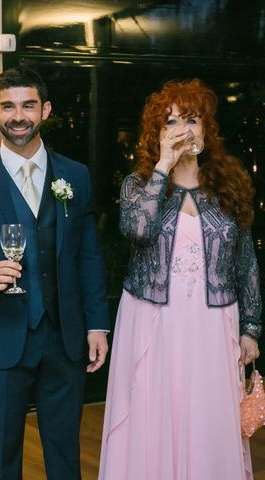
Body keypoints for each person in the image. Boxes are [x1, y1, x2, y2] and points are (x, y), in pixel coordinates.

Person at [0, 67, 110, 480]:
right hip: (0, 336)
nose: (19, 116)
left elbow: (88, 254)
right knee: (1, 452)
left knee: (66, 450)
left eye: (28, 105)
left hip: (65, 337)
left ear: (45, 110)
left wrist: (98, 325)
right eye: (8, 106)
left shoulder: (75, 176)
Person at [98, 79, 262, 480]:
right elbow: (138, 231)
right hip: (154, 323)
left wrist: (252, 328)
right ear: (158, 134)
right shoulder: (138, 184)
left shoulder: (231, 185)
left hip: (213, 323)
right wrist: (162, 168)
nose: (183, 129)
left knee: (208, 414)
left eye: (192, 119)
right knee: (156, 410)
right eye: (171, 122)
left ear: (207, 128)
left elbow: (246, 263)